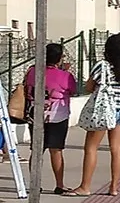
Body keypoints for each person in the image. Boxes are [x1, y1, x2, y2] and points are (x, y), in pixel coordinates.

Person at [65, 34, 120, 197]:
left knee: (91, 147)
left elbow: (88, 87)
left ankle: (85, 187)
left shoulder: (102, 65)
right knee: (116, 149)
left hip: (105, 110)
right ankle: (114, 187)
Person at [24, 43, 77, 195]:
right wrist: (66, 72)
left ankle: (35, 183)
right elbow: (72, 90)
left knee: (36, 151)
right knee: (56, 150)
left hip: (35, 115)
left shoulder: (32, 71)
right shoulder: (65, 76)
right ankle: (59, 184)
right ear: (59, 58)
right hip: (57, 116)